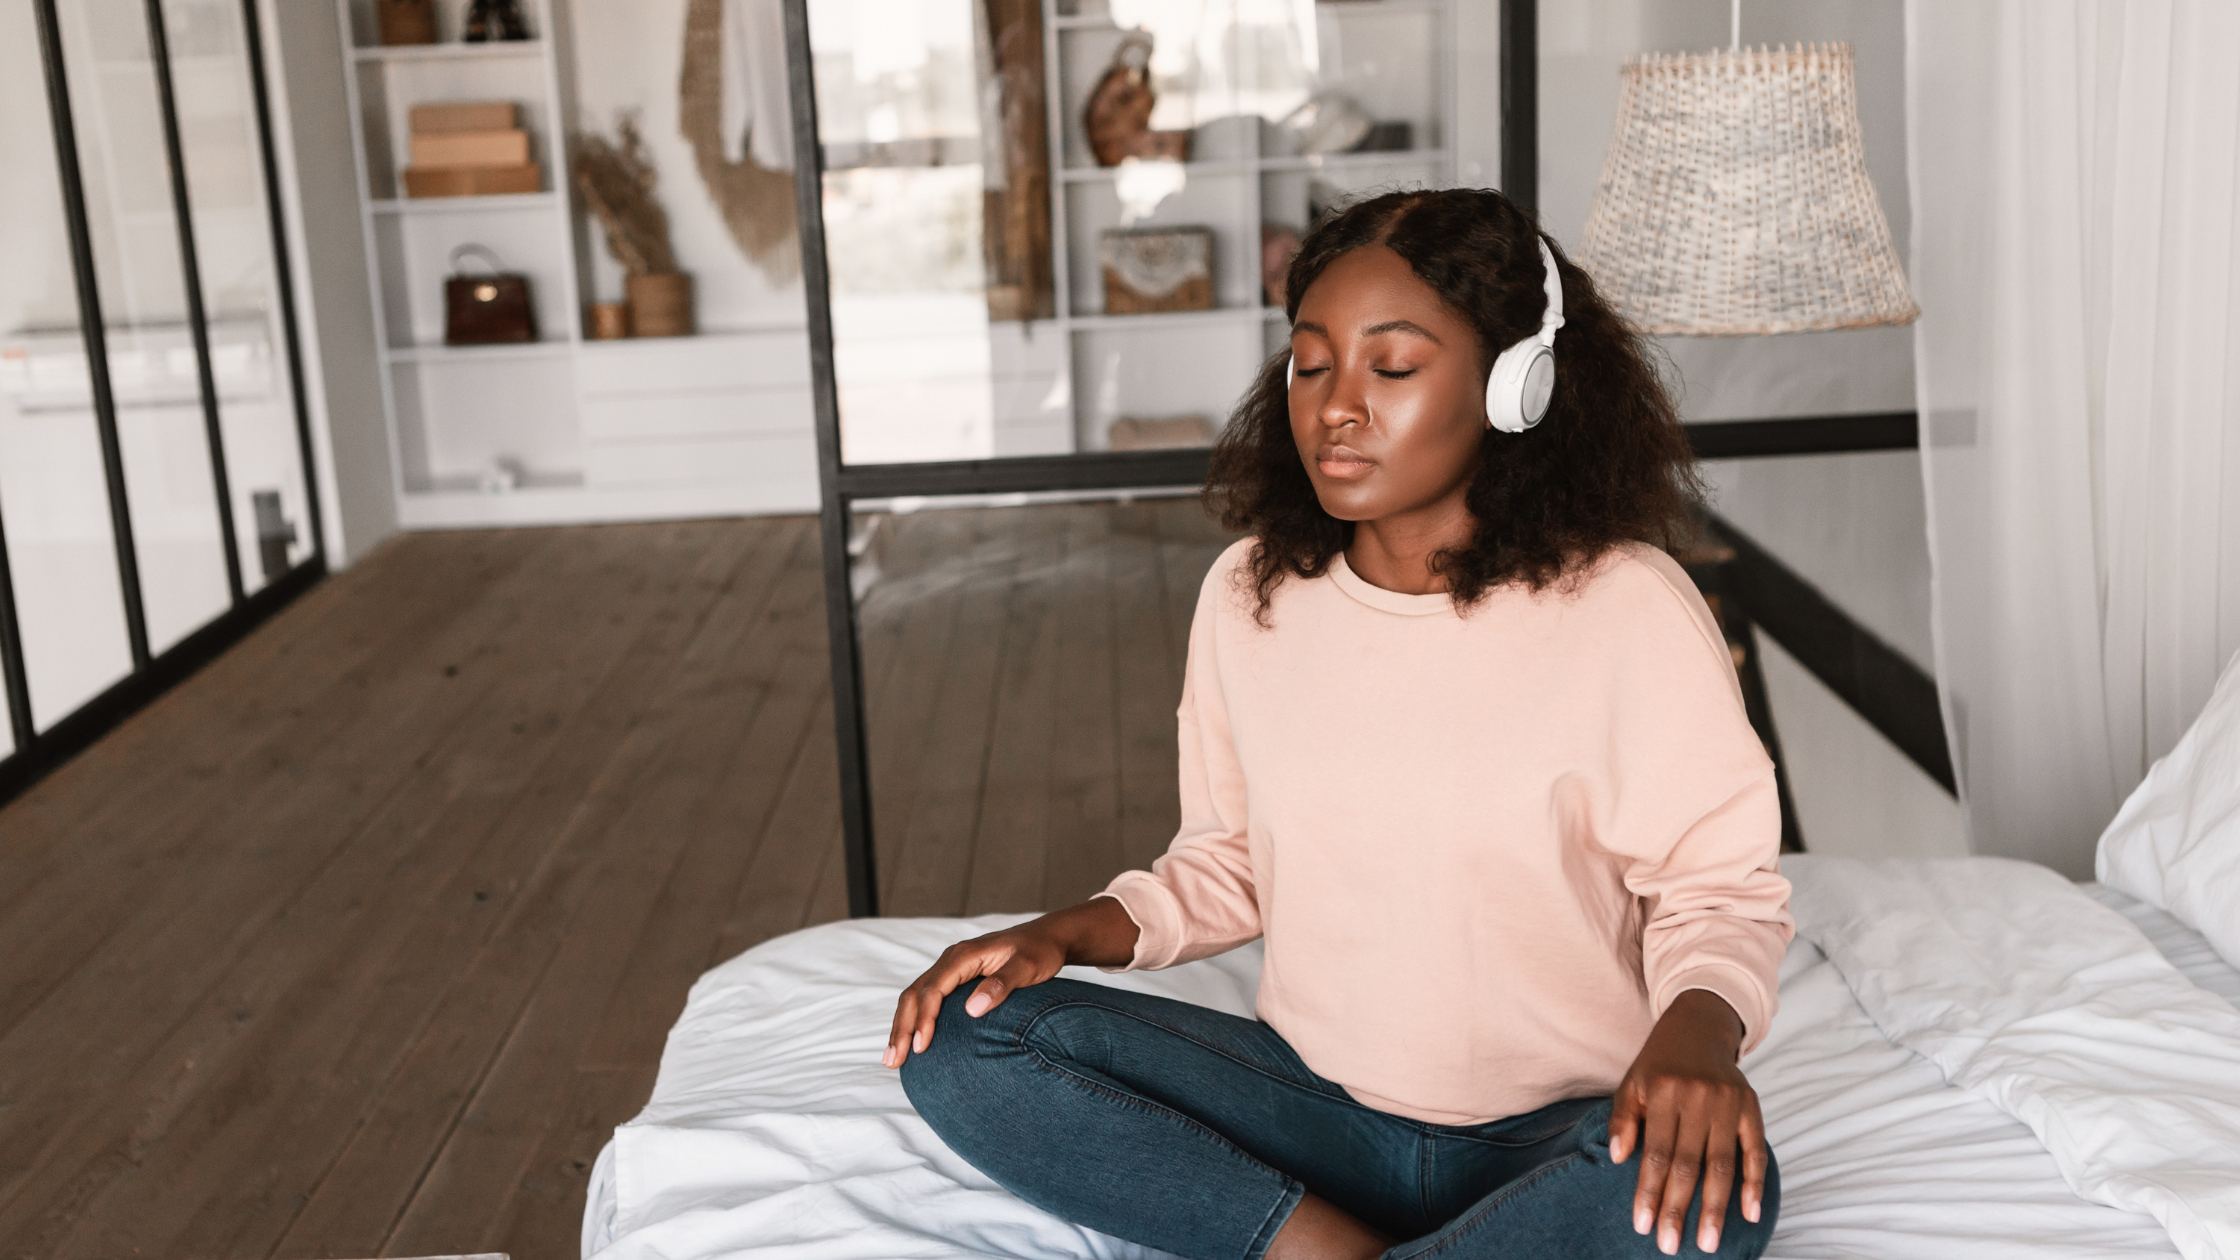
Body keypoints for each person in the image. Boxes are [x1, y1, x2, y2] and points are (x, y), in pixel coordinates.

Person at [885, 187, 1794, 1260]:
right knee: (961, 1040)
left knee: (1716, 1199)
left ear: (1516, 384)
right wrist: (1059, 935)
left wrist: (1696, 1037)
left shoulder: (1626, 606)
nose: (1334, 408)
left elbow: (1714, 890)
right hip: (1312, 1113)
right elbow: (1228, 862)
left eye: (1391, 367)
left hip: (1553, 1133)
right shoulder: (1248, 596)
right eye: (1309, 365)